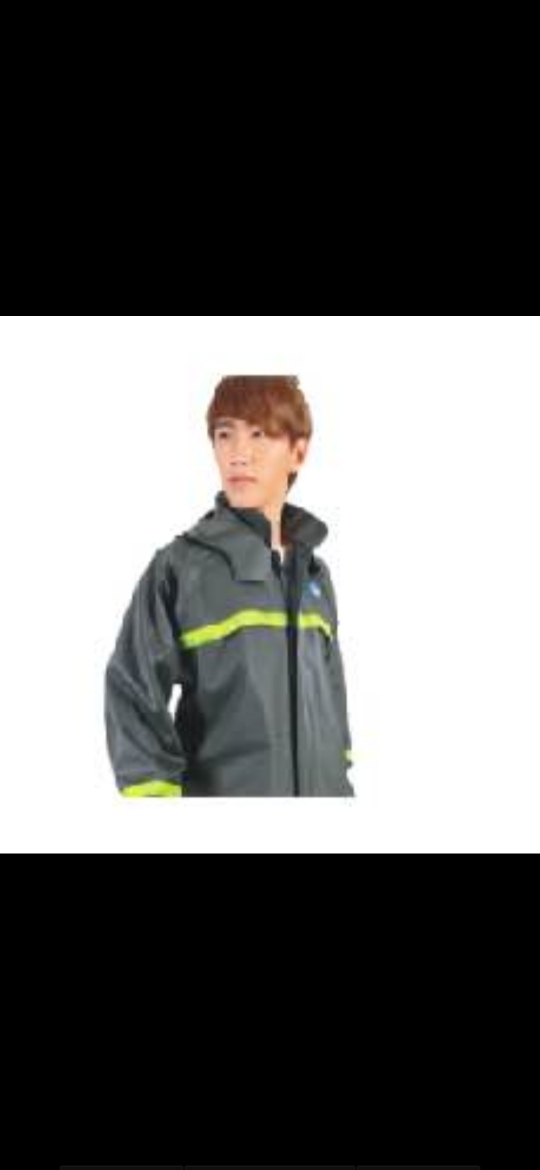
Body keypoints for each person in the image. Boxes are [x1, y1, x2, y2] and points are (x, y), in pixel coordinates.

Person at [105, 375, 354, 796]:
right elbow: (132, 694)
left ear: (298, 452)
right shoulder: (180, 569)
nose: (238, 454)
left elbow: (334, 707)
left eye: (259, 434)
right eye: (225, 435)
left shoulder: (315, 576)